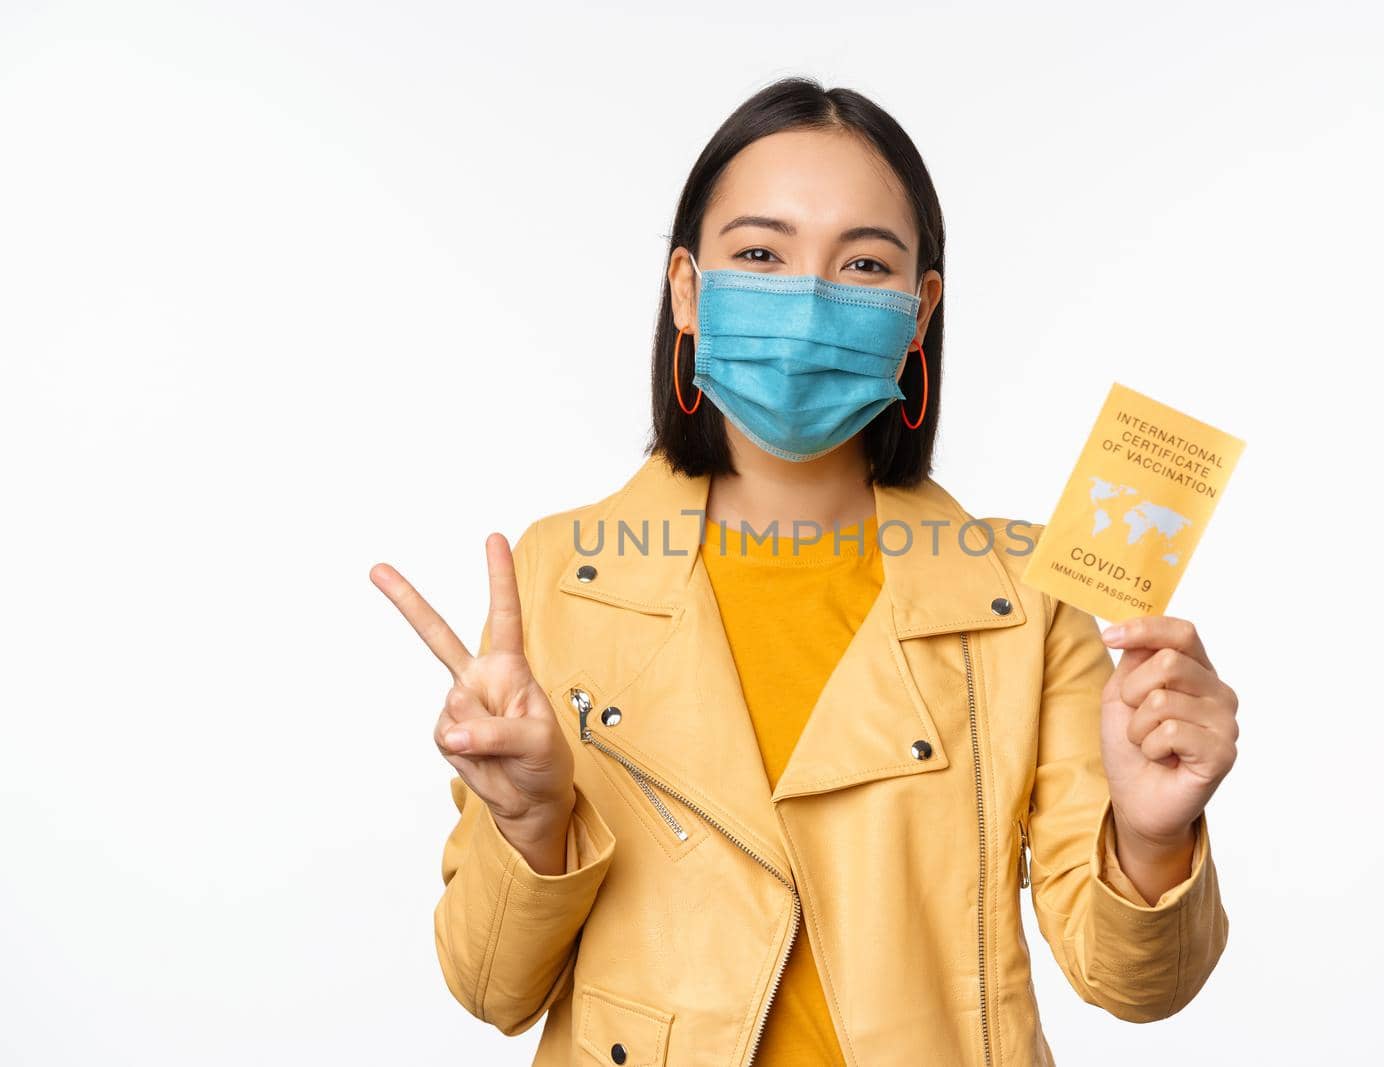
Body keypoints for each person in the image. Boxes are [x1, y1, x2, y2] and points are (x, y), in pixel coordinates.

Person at [371, 76, 1236, 1067]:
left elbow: (1138, 985)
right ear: (688, 289)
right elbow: (491, 988)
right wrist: (527, 821)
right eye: (760, 254)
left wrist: (1153, 832)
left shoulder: (1026, 595)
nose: (810, 298)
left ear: (920, 313)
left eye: (864, 262)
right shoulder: (561, 572)